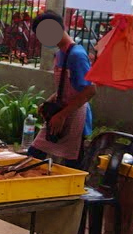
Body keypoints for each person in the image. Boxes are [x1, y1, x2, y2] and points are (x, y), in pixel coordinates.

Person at [27, 11, 96, 166]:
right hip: (59, 113)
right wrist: (49, 102)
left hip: (76, 118)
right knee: (34, 154)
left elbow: (90, 90)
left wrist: (63, 115)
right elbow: (66, 87)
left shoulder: (77, 55)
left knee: (73, 167)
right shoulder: (60, 54)